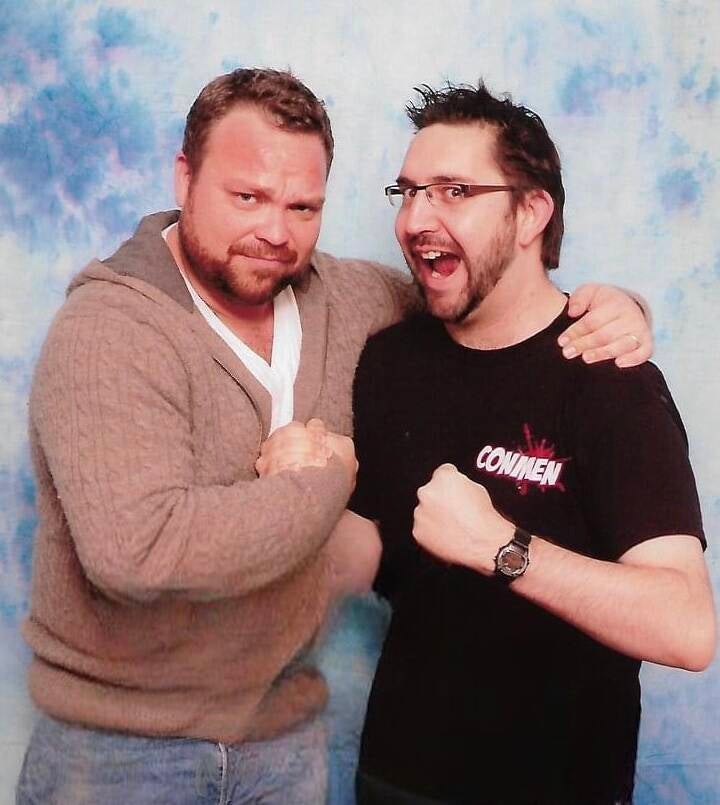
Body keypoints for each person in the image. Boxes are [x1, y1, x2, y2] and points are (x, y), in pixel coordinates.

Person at [17, 69, 653, 804]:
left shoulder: (351, 299)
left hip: (284, 744)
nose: (275, 231)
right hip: (119, 753)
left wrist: (615, 309)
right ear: (185, 177)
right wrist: (323, 480)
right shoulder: (110, 329)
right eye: (247, 197)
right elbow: (138, 554)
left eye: (303, 206)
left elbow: (488, 299)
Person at [334, 82, 715, 805]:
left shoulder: (608, 377)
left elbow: (686, 626)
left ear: (531, 213)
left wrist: (502, 548)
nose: (416, 218)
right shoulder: (390, 359)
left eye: (453, 191)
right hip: (397, 777)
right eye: (408, 192)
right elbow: (375, 546)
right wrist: (298, 505)